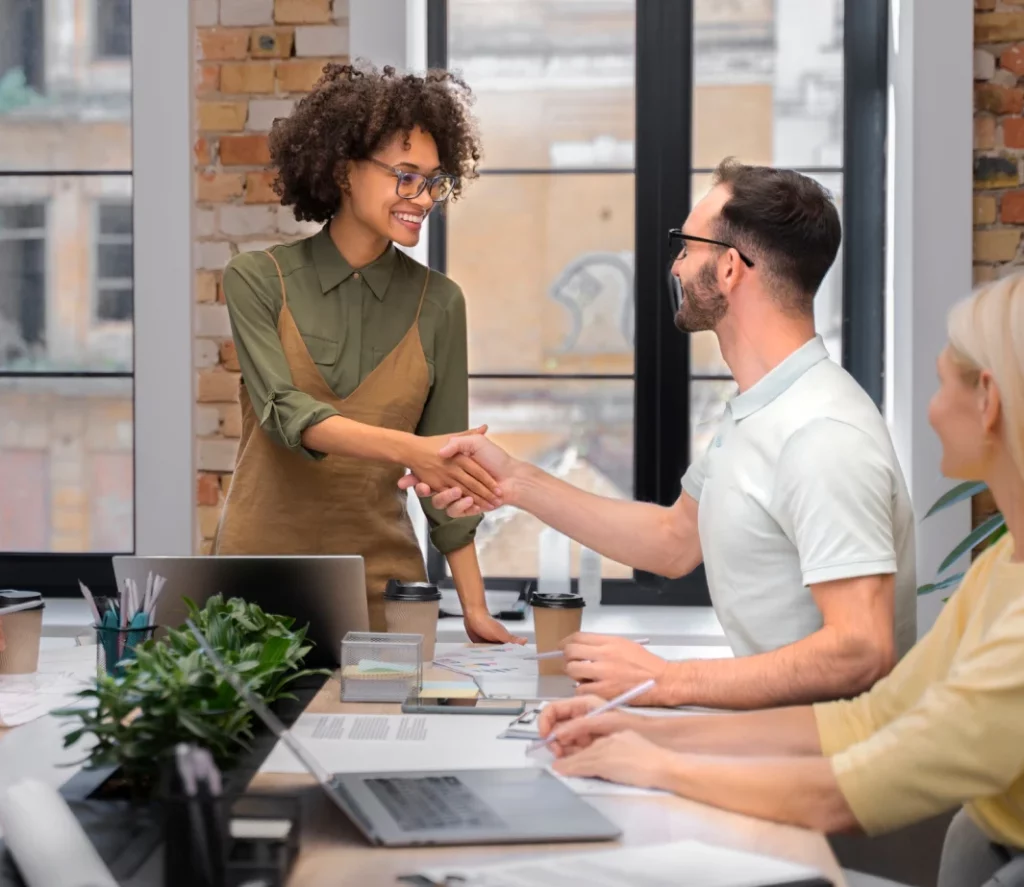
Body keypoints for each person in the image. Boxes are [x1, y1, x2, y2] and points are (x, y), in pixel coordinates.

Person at [535, 275, 1024, 887]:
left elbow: (848, 791)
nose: (927, 409)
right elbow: (866, 721)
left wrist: (657, 759)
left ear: (989, 399)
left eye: (941, 382)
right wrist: (643, 729)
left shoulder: (825, 437)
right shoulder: (1000, 567)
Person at [403, 160, 916, 709]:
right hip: (777, 745)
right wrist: (517, 482)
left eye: (687, 245)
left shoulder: (822, 434)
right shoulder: (760, 408)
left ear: (729, 270)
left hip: (832, 776)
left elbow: (859, 650)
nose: (675, 266)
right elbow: (675, 540)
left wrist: (667, 681)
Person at [215, 62, 522, 644]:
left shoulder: (441, 304)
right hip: (255, 586)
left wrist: (476, 609)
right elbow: (286, 413)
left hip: (386, 591)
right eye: (406, 176)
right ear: (342, 171)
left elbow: (446, 476)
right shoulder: (256, 279)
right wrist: (414, 451)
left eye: (434, 181)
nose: (423, 198)